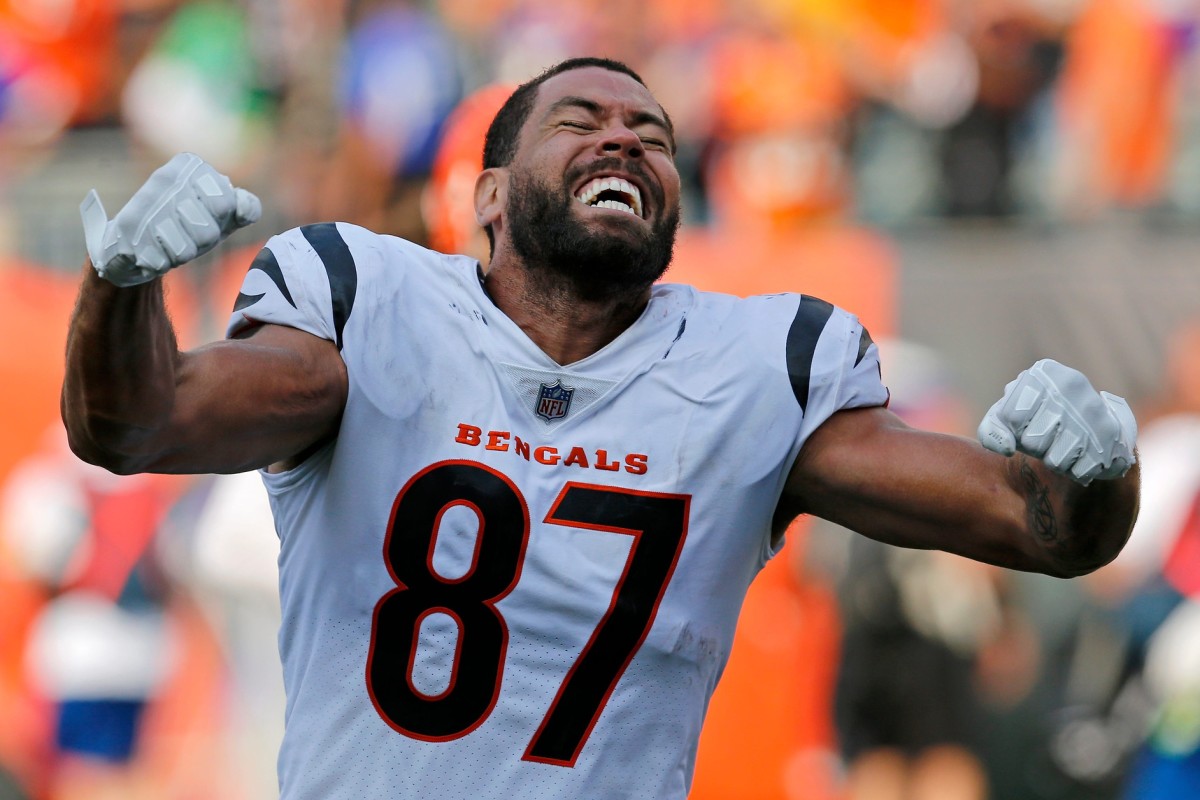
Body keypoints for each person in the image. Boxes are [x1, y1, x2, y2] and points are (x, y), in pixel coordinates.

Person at [61, 57, 1140, 800]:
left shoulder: (752, 371)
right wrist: (119, 294)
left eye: (652, 135)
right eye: (579, 122)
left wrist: (1097, 471)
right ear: (487, 197)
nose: (622, 137)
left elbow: (1045, 528)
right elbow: (135, 423)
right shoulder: (367, 305)